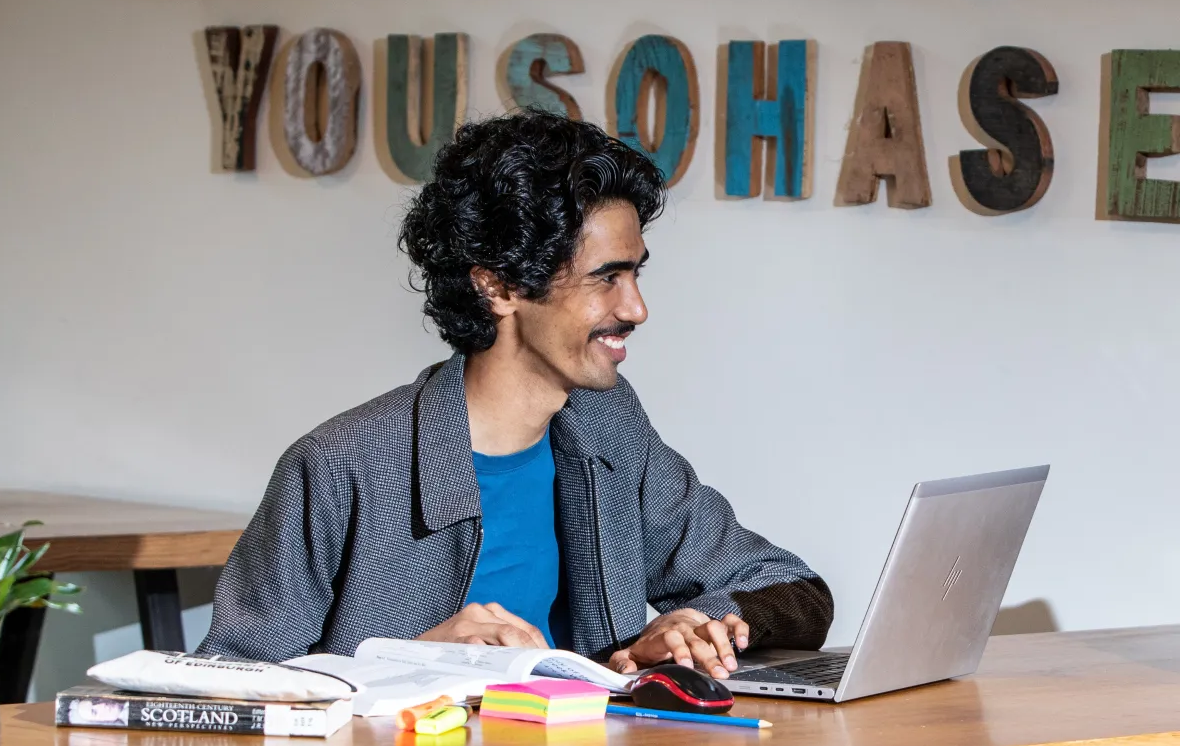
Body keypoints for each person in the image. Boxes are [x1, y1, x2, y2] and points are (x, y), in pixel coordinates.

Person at [198, 109, 833, 679]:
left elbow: (795, 589)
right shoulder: (344, 463)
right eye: (605, 278)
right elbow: (223, 690)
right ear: (498, 287)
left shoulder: (606, 426)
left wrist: (692, 626)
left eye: (635, 273)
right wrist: (413, 660)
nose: (636, 308)